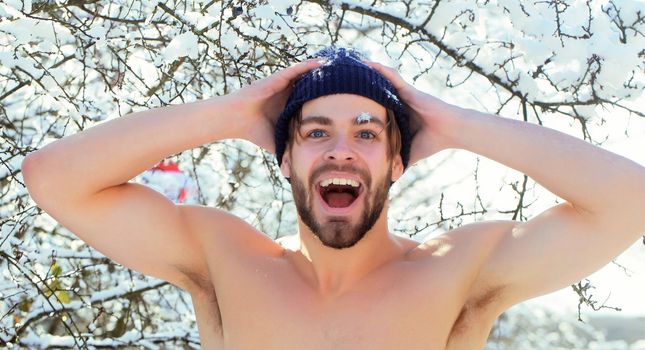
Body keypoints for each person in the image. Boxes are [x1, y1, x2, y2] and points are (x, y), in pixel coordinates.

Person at [21, 47, 645, 349]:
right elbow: (54, 177)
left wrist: (454, 125)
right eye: (316, 132)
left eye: (367, 134)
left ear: (399, 160)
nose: (341, 150)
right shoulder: (227, 260)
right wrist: (234, 112)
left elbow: (628, 200)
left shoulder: (457, 270)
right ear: (286, 157)